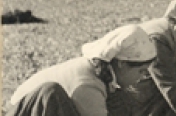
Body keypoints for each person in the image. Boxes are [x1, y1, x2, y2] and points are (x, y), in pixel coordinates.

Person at [7, 24, 156, 116]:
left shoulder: (103, 75)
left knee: (123, 100)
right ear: (122, 64)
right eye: (141, 71)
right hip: (28, 111)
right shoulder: (88, 85)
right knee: (51, 91)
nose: (142, 78)